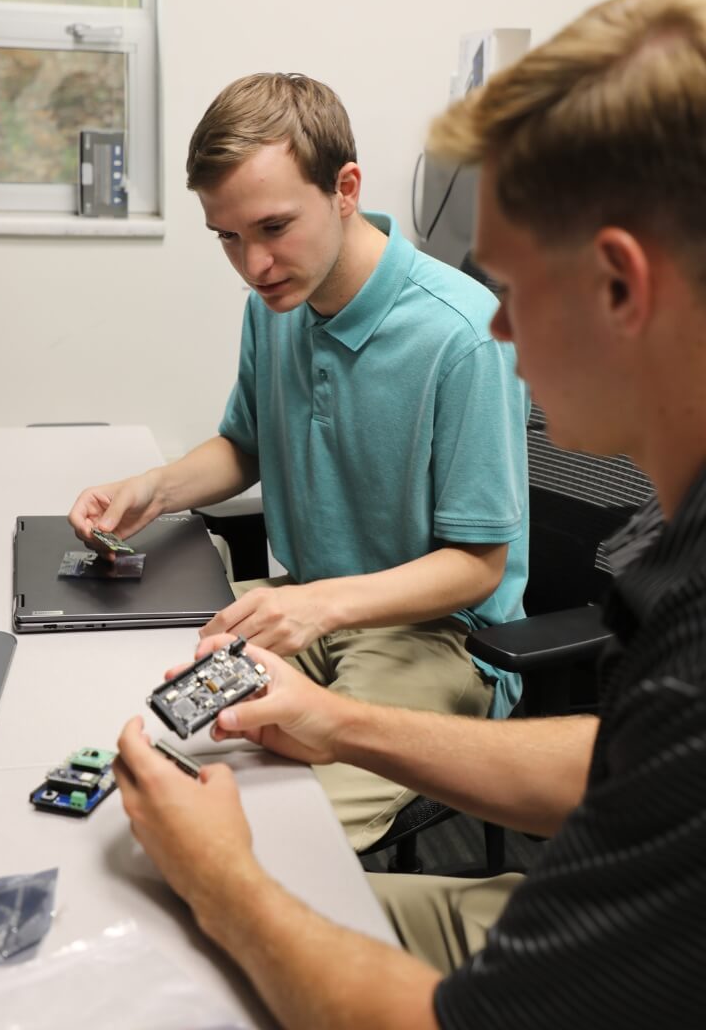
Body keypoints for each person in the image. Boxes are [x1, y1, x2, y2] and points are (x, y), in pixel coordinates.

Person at [113, 0, 706, 1029]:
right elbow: (620, 759)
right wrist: (333, 722)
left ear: (618, 286)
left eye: (513, 290)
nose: (503, 335)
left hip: (434, 651)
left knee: (218, 910)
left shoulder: (456, 334)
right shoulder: (677, 566)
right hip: (365, 679)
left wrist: (225, 883)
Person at [69, 72, 529, 850]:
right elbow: (244, 446)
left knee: (269, 840)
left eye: (274, 227)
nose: (254, 264)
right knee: (119, 710)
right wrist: (155, 488)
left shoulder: (463, 336)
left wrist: (316, 606)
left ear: (346, 188)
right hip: (304, 609)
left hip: (437, 639)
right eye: (228, 236)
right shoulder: (274, 307)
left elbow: (479, 567)